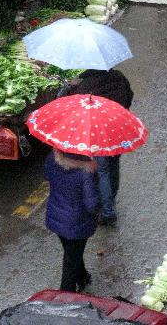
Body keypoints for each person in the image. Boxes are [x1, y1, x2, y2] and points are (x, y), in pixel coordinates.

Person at [58, 68, 134, 226]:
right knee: (114, 165)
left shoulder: (86, 83)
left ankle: (107, 211)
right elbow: (130, 95)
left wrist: (68, 88)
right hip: (118, 128)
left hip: (99, 132)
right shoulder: (119, 77)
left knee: (103, 170)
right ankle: (110, 199)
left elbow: (71, 103)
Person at [44, 149, 99, 292]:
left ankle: (82, 276)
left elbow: (46, 174)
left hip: (56, 217)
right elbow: (91, 205)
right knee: (70, 259)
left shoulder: (52, 157)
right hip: (77, 222)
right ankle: (66, 297)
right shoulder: (86, 169)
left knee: (72, 253)